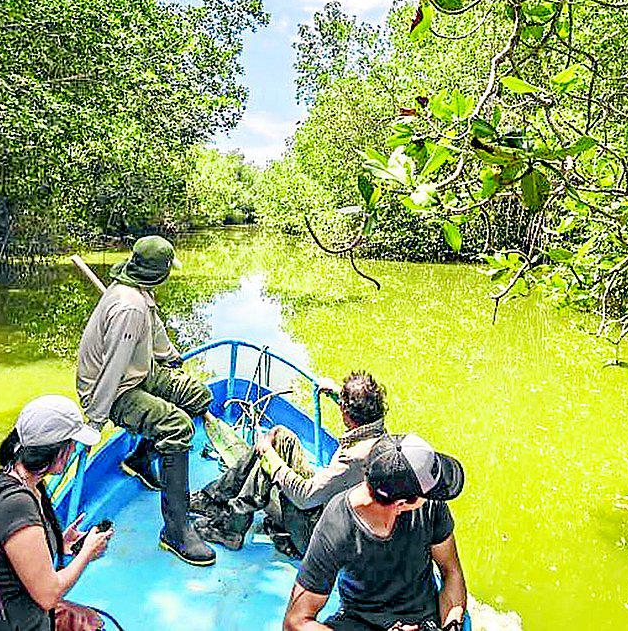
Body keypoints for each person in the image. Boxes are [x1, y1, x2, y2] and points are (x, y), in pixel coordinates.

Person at [75, 235, 216, 566]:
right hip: (112, 390)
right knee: (177, 426)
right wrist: (95, 420)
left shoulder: (140, 293)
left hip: (139, 372)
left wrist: (170, 356)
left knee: (199, 396)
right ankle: (177, 529)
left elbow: (154, 331)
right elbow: (113, 368)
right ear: (160, 272)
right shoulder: (129, 308)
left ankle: (139, 459)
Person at [0, 395, 112, 631]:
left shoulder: (22, 479)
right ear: (57, 451)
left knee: (91, 623)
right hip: (3, 624)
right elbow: (48, 595)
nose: (74, 450)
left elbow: (16, 550)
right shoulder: (15, 504)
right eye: (71, 444)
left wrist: (59, 542)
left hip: (18, 613)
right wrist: (87, 552)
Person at [283, 434, 469, 631]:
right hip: (360, 621)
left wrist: (452, 624)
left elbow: (451, 571)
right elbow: (295, 621)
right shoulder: (337, 525)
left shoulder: (430, 505)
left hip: (423, 617)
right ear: (401, 505)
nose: (434, 495)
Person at [192, 371, 389, 556]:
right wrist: (337, 394)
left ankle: (231, 529)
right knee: (279, 436)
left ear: (348, 414)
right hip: (326, 508)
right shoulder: (376, 430)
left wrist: (271, 458)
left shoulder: (355, 458)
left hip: (316, 536)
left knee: (267, 464)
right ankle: (213, 498)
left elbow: (305, 497)